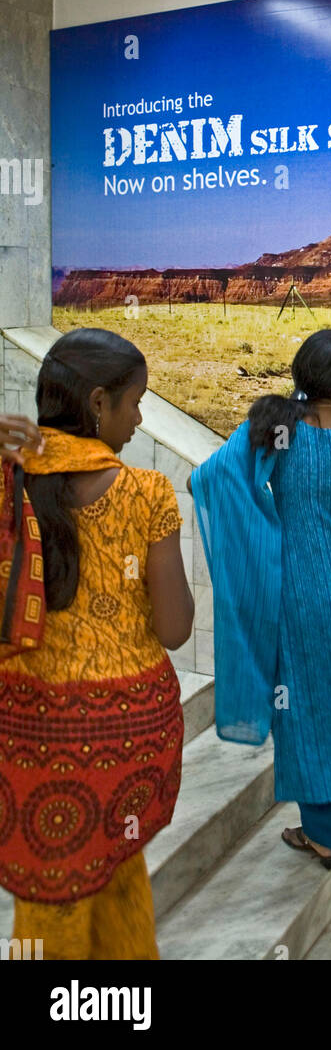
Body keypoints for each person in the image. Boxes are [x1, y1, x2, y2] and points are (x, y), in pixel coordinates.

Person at [190, 328, 331, 935]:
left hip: (299, 596)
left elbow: (209, 480)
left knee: (306, 714)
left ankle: (329, 832)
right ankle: (329, 830)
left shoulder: (273, 426)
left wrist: (264, 532)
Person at [0, 329, 193, 959]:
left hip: (30, 726)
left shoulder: (10, 482)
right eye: (135, 403)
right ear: (99, 403)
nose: (139, 419)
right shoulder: (146, 493)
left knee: (48, 887)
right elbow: (174, 630)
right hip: (131, 731)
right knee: (116, 868)